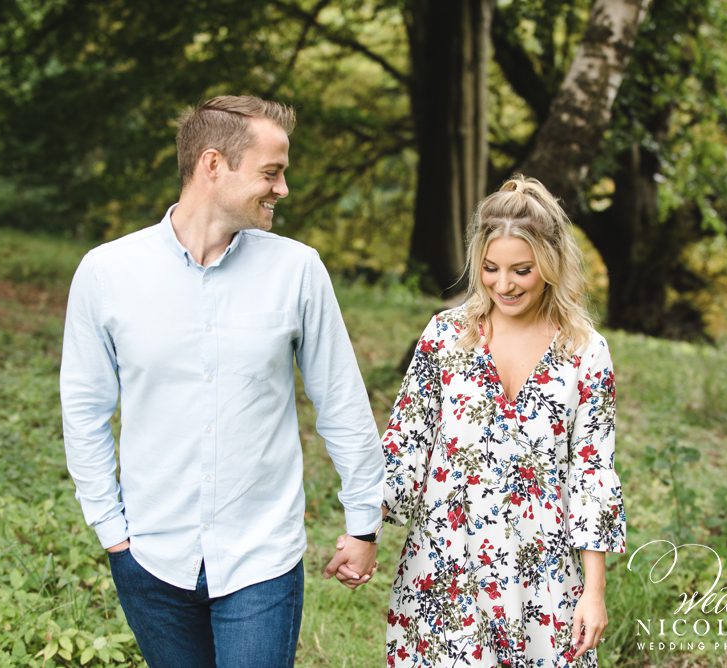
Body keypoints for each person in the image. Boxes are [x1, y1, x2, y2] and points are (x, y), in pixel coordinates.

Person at [60, 95, 384, 668]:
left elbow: (340, 399)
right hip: (150, 557)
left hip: (261, 559)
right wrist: (112, 532)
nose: (282, 189)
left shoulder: (297, 270)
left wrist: (363, 523)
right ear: (214, 165)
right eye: (271, 172)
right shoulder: (107, 273)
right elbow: (84, 409)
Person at [380, 175, 626, 667]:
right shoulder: (446, 336)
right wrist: (362, 532)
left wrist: (593, 592)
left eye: (522, 270)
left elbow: (593, 474)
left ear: (552, 264)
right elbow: (406, 444)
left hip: (543, 573)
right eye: (491, 268)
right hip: (447, 562)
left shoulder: (585, 353)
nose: (504, 284)